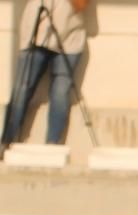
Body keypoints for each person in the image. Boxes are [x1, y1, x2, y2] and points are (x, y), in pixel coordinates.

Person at [2, 0, 89, 147]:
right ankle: (5, 142)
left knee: (60, 94)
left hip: (69, 39)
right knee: (22, 89)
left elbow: (81, 5)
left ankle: (52, 147)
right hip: (36, 32)